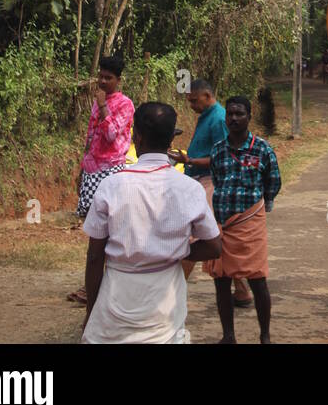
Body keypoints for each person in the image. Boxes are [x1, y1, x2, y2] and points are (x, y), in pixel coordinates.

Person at [81, 102, 222, 343]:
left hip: (117, 296)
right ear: (171, 140)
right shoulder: (189, 189)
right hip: (164, 299)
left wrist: (92, 310)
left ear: (136, 137)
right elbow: (214, 246)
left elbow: (95, 256)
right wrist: (175, 251)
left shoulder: (111, 186)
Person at [169, 79, 252, 308]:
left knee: (194, 237)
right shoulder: (208, 116)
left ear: (207, 95)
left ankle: (173, 292)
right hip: (200, 180)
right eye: (190, 101)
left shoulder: (218, 118)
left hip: (210, 183)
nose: (192, 105)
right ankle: (242, 290)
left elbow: (226, 155)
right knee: (216, 237)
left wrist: (191, 160)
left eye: (195, 100)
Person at [205, 95, 281, 344]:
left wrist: (263, 203)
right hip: (223, 226)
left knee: (258, 280)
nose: (234, 119)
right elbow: (217, 180)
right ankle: (228, 336)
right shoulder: (217, 150)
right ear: (225, 118)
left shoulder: (262, 149)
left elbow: (274, 180)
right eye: (231, 114)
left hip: (250, 226)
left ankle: (265, 336)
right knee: (222, 281)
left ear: (249, 117)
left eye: (240, 114)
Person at [68, 54, 134, 304]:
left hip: (111, 170)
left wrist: (104, 105)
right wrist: (82, 168)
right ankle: (95, 282)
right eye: (101, 76)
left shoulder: (125, 104)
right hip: (92, 169)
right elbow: (90, 137)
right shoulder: (98, 103)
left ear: (118, 79)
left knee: (110, 229)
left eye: (109, 78)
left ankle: (102, 284)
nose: (103, 81)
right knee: (95, 228)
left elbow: (109, 134)